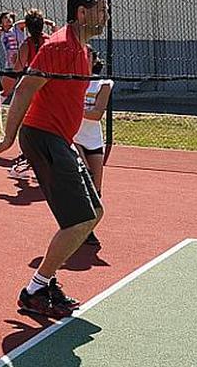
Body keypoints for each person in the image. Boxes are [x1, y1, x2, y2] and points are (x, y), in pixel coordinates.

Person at [0, 0, 108, 319]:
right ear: (82, 13)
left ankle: (43, 283)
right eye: (101, 9)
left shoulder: (82, 49)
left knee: (92, 213)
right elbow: (23, 90)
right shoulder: (60, 45)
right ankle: (36, 288)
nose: (106, 16)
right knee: (82, 218)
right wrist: (7, 140)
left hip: (58, 139)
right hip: (43, 136)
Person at [73, 47, 113, 247]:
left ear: (94, 60)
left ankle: (88, 229)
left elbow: (97, 114)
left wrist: (73, 108)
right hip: (74, 139)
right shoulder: (70, 80)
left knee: (97, 190)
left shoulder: (103, 83)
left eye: (87, 56)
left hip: (94, 141)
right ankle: (75, 227)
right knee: (84, 181)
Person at [8, 8, 54, 179]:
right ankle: (45, 159)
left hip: (32, 87)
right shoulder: (50, 41)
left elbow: (17, 68)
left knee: (27, 125)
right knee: (47, 125)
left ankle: (28, 159)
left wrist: (15, 61)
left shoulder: (27, 44)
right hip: (50, 88)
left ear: (28, 27)